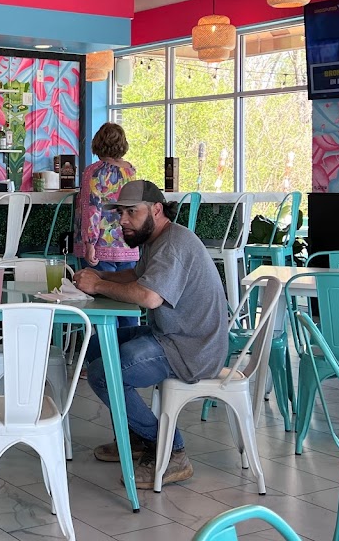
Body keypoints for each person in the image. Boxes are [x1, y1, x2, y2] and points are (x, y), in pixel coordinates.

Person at [73, 179, 228, 489]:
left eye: (132, 212)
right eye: (121, 213)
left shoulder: (174, 244)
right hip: (174, 335)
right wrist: (100, 274)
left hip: (191, 349)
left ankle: (172, 450)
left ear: (157, 210)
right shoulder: (157, 239)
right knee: (96, 346)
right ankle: (136, 437)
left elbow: (149, 296)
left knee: (104, 373)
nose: (123, 221)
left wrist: (99, 285)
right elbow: (138, 275)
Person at [73, 124, 139, 318]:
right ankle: (128, 336)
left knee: (102, 305)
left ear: (97, 143)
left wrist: (89, 244)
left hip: (101, 245)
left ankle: (106, 337)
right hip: (128, 244)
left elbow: (91, 209)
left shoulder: (94, 172)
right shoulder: (131, 171)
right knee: (128, 300)